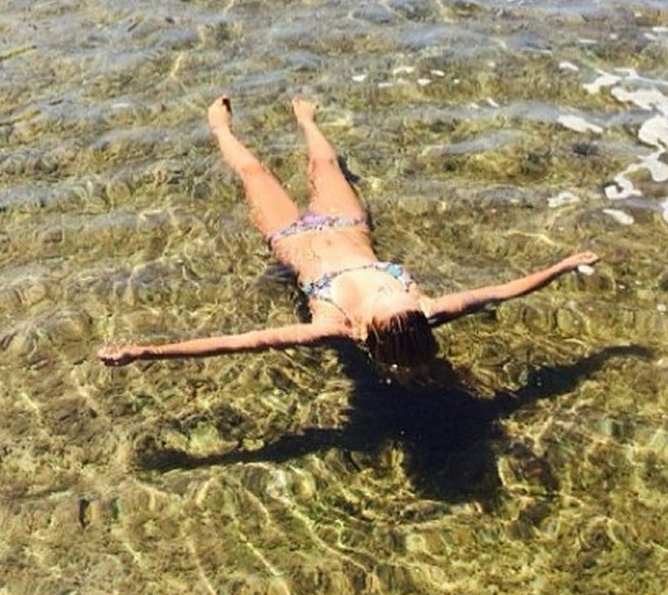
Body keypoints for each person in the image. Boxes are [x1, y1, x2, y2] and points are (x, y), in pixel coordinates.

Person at [99, 97, 600, 382]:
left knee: (254, 172)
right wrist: (562, 265)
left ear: (368, 327)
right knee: (324, 164)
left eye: (389, 297)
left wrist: (148, 352)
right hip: (345, 223)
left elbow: (240, 343)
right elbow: (503, 290)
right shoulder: (423, 309)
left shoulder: (333, 325)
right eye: (402, 293)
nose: (398, 291)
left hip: (290, 238)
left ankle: (220, 129)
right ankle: (305, 119)